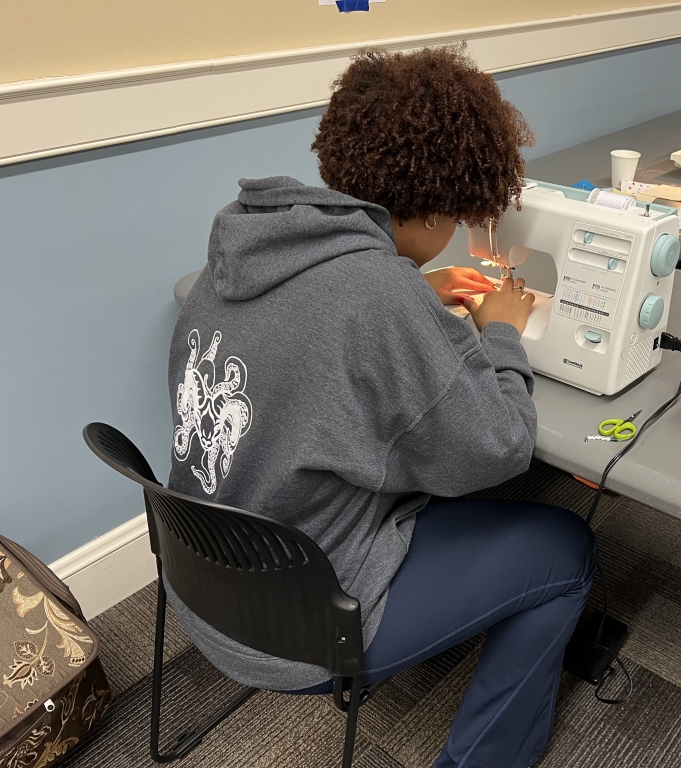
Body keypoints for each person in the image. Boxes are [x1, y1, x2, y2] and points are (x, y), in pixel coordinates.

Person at [166, 45, 594, 768]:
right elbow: (497, 448)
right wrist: (501, 333)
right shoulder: (375, 295)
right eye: (459, 216)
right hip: (301, 626)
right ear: (435, 206)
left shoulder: (243, 247)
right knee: (566, 548)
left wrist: (412, 294)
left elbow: (313, 333)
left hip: (203, 578)